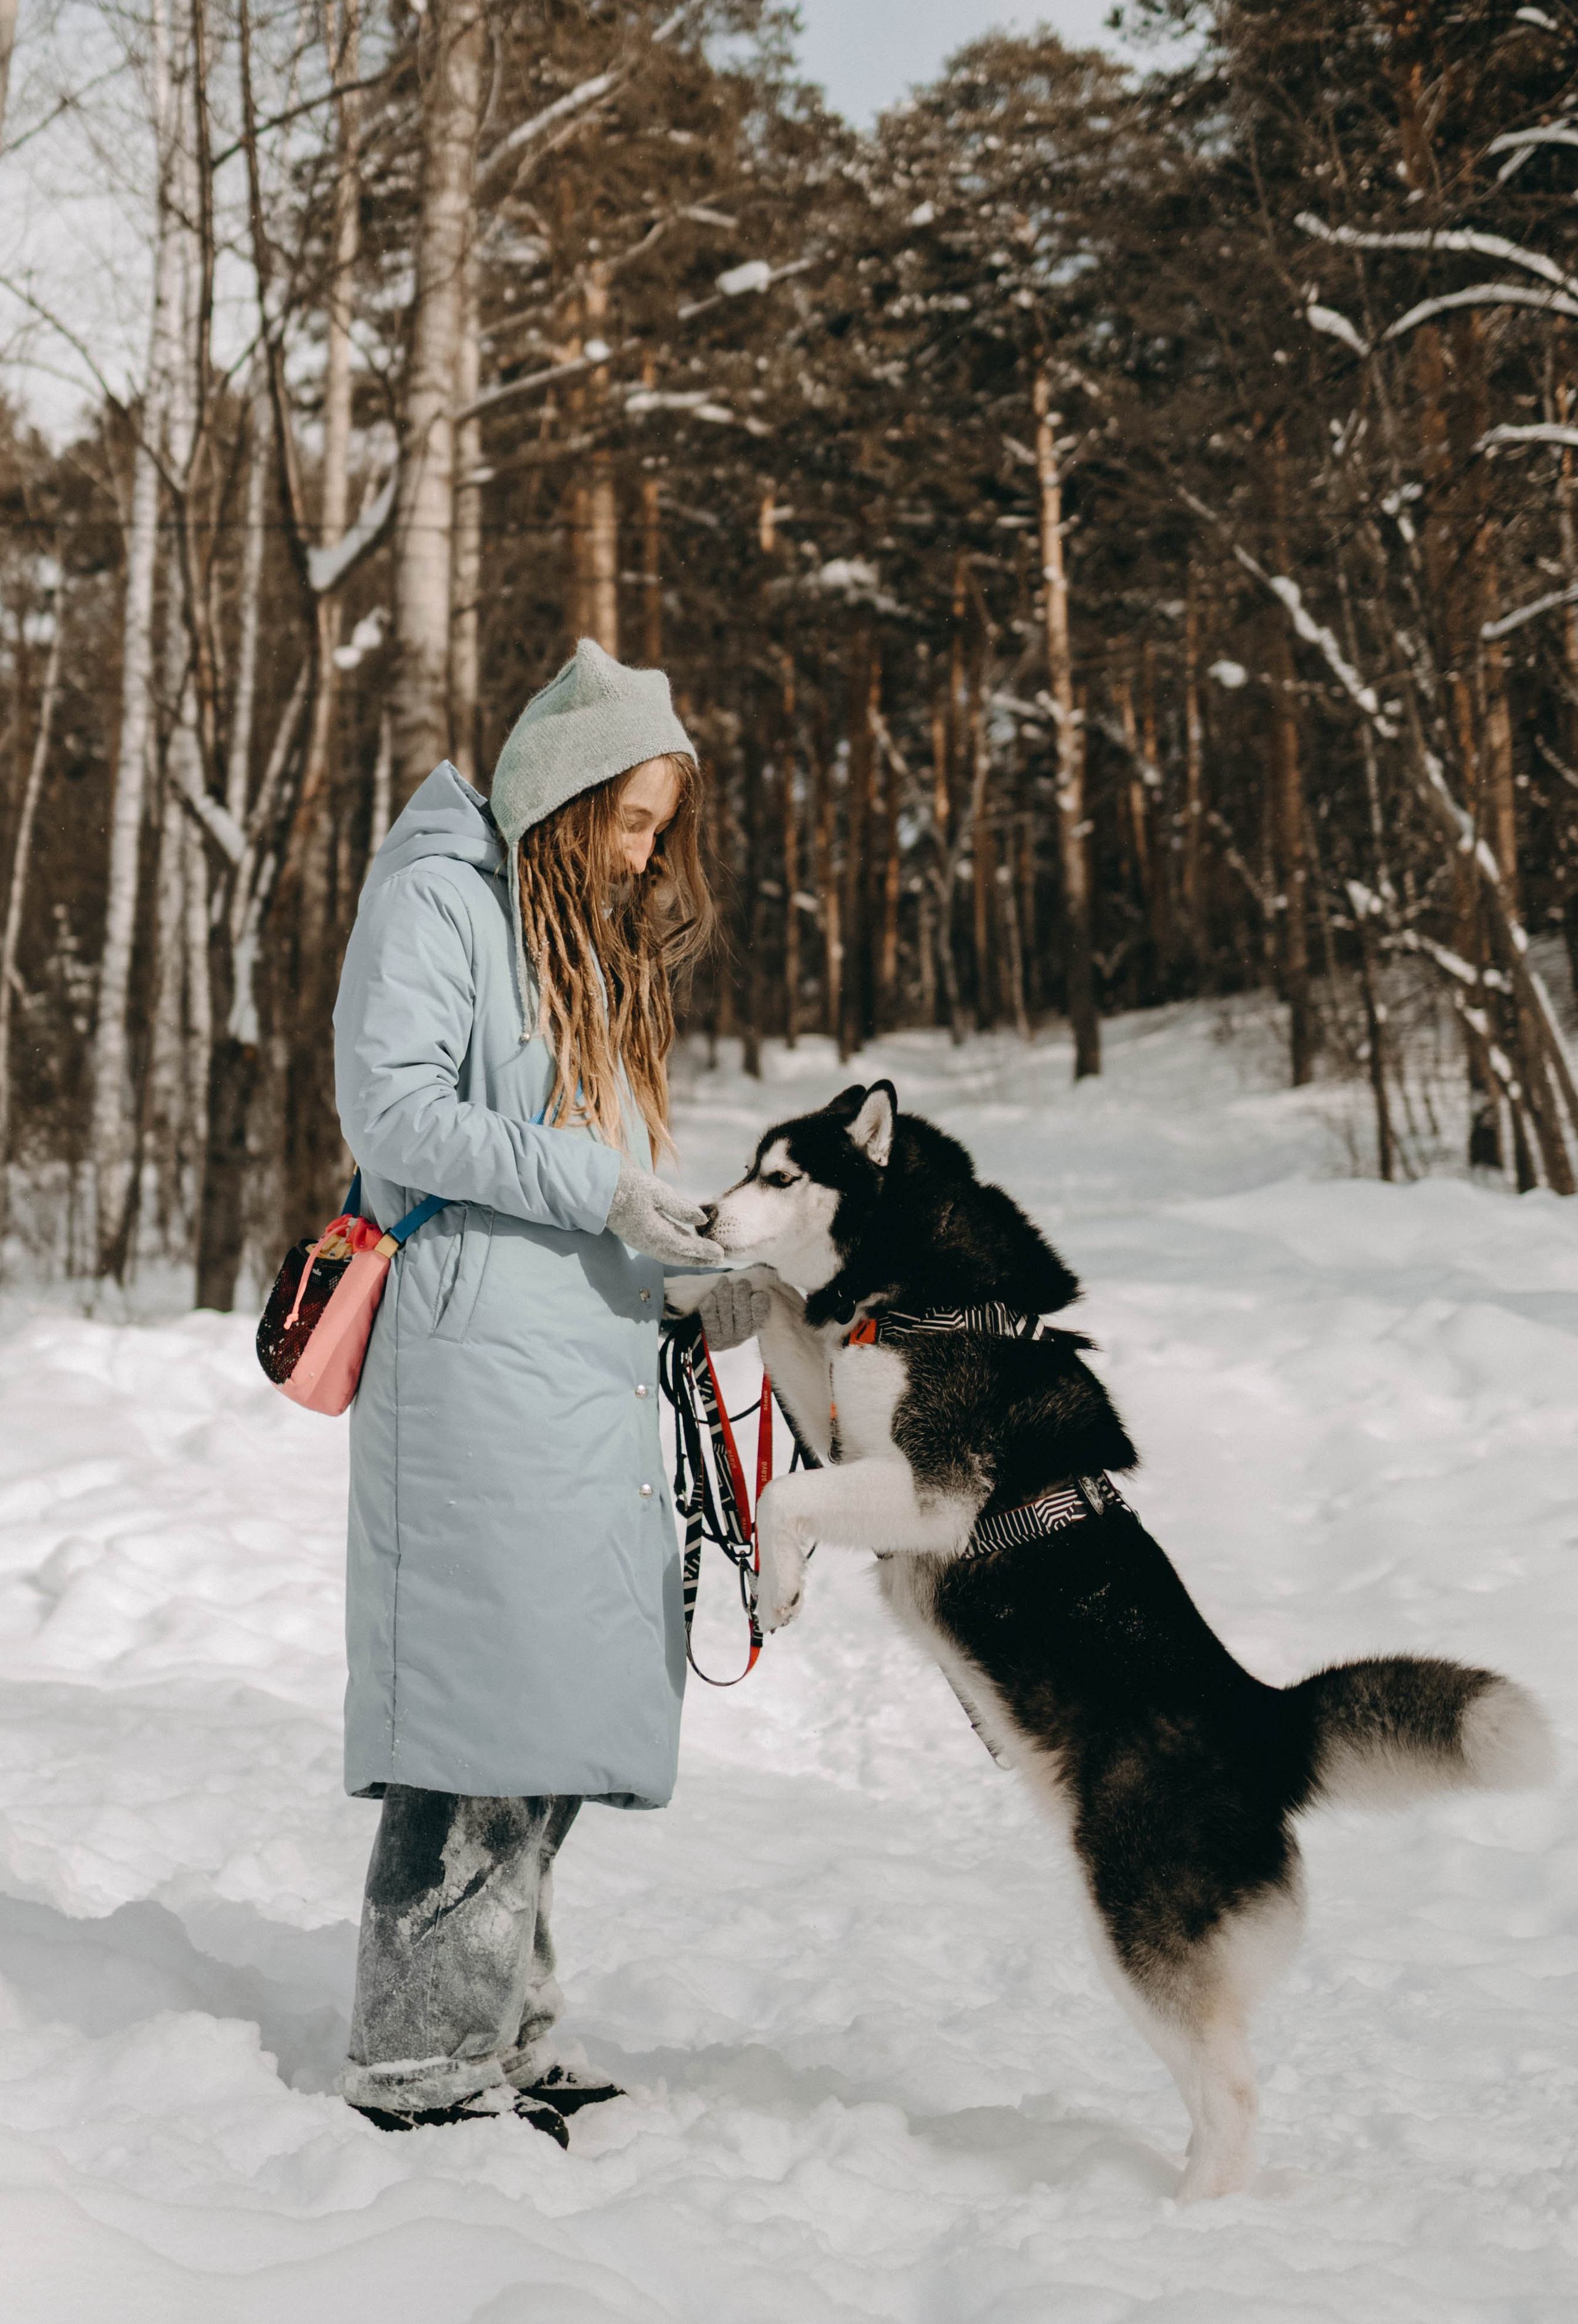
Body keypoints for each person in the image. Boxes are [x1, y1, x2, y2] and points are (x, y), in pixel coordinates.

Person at [332, 639, 764, 2138]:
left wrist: (682, 1274)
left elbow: (593, 1181)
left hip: (575, 1372)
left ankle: (498, 2030)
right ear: (567, 792)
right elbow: (393, 1113)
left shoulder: (575, 935)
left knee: (555, 1714)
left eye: (660, 826)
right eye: (633, 818)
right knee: (478, 1721)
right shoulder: (441, 897)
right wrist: (607, 1192)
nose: (647, 852)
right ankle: (418, 2059)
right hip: (469, 1369)